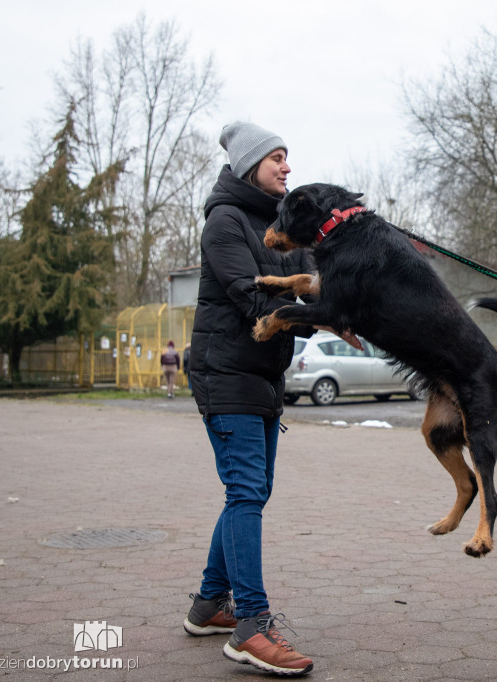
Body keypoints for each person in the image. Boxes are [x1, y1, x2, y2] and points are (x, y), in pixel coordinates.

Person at [182, 121, 316, 675]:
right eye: (276, 158)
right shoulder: (225, 221)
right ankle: (251, 627)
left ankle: (209, 604)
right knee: (245, 492)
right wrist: (315, 312)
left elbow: (311, 289)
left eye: (287, 157)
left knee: (253, 490)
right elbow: (251, 298)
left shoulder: (281, 227)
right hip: (225, 373)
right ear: (248, 166)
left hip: (263, 376)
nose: (287, 166)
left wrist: (346, 308)